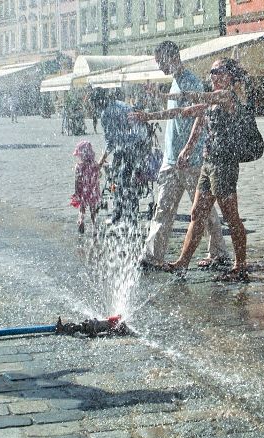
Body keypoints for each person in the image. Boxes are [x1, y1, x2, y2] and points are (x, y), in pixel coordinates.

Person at [130, 41, 228, 270]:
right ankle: (152, 256)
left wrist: (188, 148)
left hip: (191, 160)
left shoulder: (191, 81)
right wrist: (157, 97)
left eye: (160, 61)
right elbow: (175, 110)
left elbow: (199, 116)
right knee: (163, 209)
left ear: (170, 57)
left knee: (204, 209)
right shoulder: (175, 82)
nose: (159, 66)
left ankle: (219, 252)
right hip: (172, 159)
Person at [163, 58, 251, 280]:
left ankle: (240, 266)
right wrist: (187, 149)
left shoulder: (227, 96)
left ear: (229, 75)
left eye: (217, 70)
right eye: (211, 71)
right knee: (197, 213)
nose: (213, 74)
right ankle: (182, 263)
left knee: (231, 216)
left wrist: (171, 96)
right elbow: (195, 118)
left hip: (224, 165)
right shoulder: (212, 101)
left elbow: (199, 99)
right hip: (208, 163)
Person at [92, 88, 149, 226]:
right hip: (139, 145)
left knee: (120, 181)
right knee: (130, 182)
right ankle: (130, 217)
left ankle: (122, 217)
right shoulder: (120, 104)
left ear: (98, 102)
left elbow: (111, 141)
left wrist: (101, 159)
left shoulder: (106, 113)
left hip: (126, 148)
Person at [71, 140, 101, 234]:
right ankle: (94, 227)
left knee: (82, 208)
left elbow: (77, 180)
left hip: (83, 191)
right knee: (93, 210)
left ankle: (81, 220)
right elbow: (99, 176)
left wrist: (76, 192)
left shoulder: (78, 167)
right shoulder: (94, 165)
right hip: (93, 190)